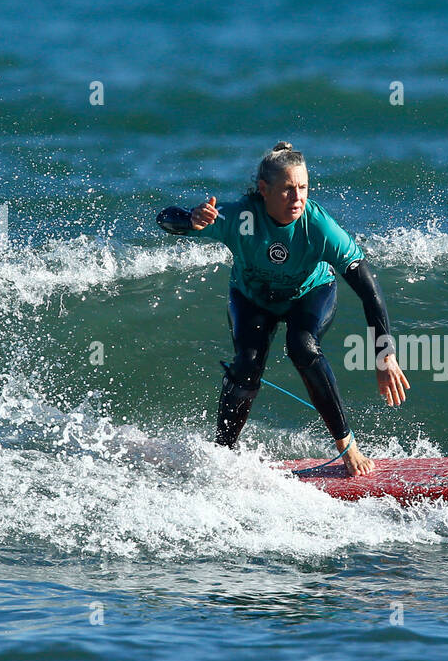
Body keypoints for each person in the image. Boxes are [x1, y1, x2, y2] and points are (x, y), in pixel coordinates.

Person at [157, 142, 409, 476]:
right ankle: (223, 455)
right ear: (264, 190)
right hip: (252, 298)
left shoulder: (319, 227)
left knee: (302, 345)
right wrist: (192, 218)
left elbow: (369, 290)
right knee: (247, 365)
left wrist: (385, 354)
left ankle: (347, 445)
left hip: (310, 293)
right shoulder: (241, 217)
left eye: (303, 187)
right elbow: (165, 219)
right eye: (288, 189)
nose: (298, 198)